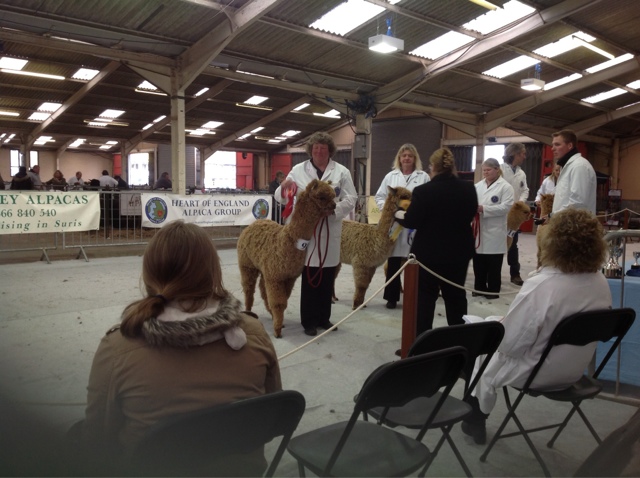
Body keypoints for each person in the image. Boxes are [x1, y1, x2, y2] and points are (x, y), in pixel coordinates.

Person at [80, 220, 281, 475]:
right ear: (212, 271)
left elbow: (98, 440)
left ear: (149, 273)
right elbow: (273, 414)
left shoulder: (118, 349)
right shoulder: (254, 334)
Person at [462, 208, 611, 444]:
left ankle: (475, 418)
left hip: (537, 373)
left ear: (552, 241)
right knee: (491, 333)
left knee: (480, 342)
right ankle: (473, 414)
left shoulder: (543, 285)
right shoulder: (600, 281)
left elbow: (510, 345)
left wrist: (497, 324)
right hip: (574, 370)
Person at [275, 132, 357, 336]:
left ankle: (324, 318)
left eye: (323, 147)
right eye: (316, 147)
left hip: (330, 228)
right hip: (306, 232)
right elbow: (282, 197)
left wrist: (334, 211)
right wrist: (284, 188)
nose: (319, 151)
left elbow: (351, 198)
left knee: (327, 276)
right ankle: (309, 321)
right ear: (311, 150)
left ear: (330, 150)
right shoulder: (298, 170)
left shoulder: (342, 172)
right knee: (310, 276)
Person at [397, 147, 477, 333]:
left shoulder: (423, 191)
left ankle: (422, 340)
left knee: (425, 299)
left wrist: (398, 214)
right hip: (458, 253)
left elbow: (412, 221)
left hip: (428, 255)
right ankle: (458, 338)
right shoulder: (468, 188)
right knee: (456, 297)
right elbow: (470, 214)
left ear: (432, 167)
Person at [374, 143, 430, 309]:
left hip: (414, 224)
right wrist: (390, 210)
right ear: (399, 158)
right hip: (395, 225)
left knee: (415, 262)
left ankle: (415, 296)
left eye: (410, 156)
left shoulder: (423, 177)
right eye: (404, 155)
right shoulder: (390, 176)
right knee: (393, 262)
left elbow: (427, 198)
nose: (406, 158)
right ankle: (391, 297)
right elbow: (379, 197)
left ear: (415, 158)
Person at [473, 158, 514, 299]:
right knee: (479, 262)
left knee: (493, 263)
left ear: (497, 169)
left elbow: (506, 207)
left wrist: (484, 209)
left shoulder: (505, 187)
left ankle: (492, 290)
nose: (485, 172)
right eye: (484, 170)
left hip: (495, 229)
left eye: (488, 170)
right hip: (479, 228)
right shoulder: (477, 186)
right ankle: (479, 288)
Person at [549, 129, 596, 216]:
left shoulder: (579, 166)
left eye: (557, 144)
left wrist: (553, 215)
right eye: (553, 145)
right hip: (564, 221)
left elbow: (578, 202)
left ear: (570, 145)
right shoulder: (567, 166)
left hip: (575, 222)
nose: (552, 149)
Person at [500, 143, 529, 287]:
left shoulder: (521, 173)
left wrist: (520, 202)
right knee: (497, 244)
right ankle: (493, 273)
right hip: (500, 213)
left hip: (513, 216)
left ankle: (515, 274)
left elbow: (525, 190)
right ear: (515, 154)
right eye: (522, 153)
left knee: (513, 244)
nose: (524, 156)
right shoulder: (500, 169)